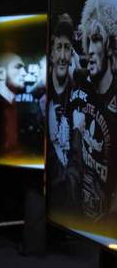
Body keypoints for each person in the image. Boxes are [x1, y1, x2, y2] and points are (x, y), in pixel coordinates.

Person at [76, 0, 117, 225]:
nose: (90, 50)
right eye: (88, 41)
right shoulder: (83, 88)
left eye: (97, 40)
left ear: (110, 45)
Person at [47, 13, 82, 216]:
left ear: (72, 54)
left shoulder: (79, 96)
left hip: (72, 208)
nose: (62, 56)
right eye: (58, 47)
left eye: (67, 48)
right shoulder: (42, 97)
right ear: (51, 53)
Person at [0, 52, 27, 158]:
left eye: (23, 68)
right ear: (0, 73)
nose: (24, 73)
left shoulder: (13, 105)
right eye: (18, 67)